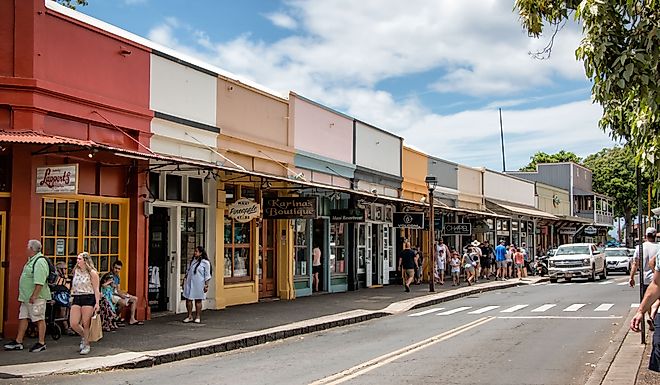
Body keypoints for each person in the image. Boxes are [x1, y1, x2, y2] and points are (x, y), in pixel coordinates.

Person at [3, 240, 51, 352]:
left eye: (27, 247)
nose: (26, 249)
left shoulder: (39, 262)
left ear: (31, 249)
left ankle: (41, 342)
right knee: (23, 317)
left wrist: (34, 295)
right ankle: (18, 341)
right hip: (26, 297)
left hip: (36, 297)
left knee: (39, 318)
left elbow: (40, 281)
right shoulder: (31, 260)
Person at [630, 229, 660, 372]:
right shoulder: (659, 249)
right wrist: (640, 311)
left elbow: (637, 264)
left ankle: (652, 315)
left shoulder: (640, 247)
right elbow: (656, 285)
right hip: (651, 282)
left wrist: (632, 277)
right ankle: (652, 315)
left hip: (644, 279)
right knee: (658, 345)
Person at [69, 252, 101, 355]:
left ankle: (87, 344)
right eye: (77, 259)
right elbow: (73, 285)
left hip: (88, 296)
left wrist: (97, 303)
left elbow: (96, 289)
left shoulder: (92, 273)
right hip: (77, 296)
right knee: (73, 323)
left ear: (85, 261)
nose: (78, 261)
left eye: (80, 259)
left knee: (86, 323)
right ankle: (85, 336)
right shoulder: (76, 271)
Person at [182, 246, 213, 324]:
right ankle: (189, 315)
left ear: (201, 253)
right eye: (194, 251)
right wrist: (184, 281)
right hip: (190, 282)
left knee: (198, 300)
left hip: (199, 283)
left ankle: (198, 316)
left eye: (196, 251)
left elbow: (207, 275)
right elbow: (188, 271)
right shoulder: (192, 261)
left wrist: (206, 285)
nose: (195, 253)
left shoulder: (205, 262)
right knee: (188, 299)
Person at [110, 261, 141, 325]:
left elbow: (118, 289)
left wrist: (124, 294)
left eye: (119, 269)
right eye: (116, 268)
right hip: (111, 294)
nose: (117, 270)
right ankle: (116, 317)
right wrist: (121, 295)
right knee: (123, 302)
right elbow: (110, 291)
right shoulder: (109, 276)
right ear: (112, 267)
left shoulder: (117, 277)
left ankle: (132, 319)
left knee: (134, 299)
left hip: (117, 293)